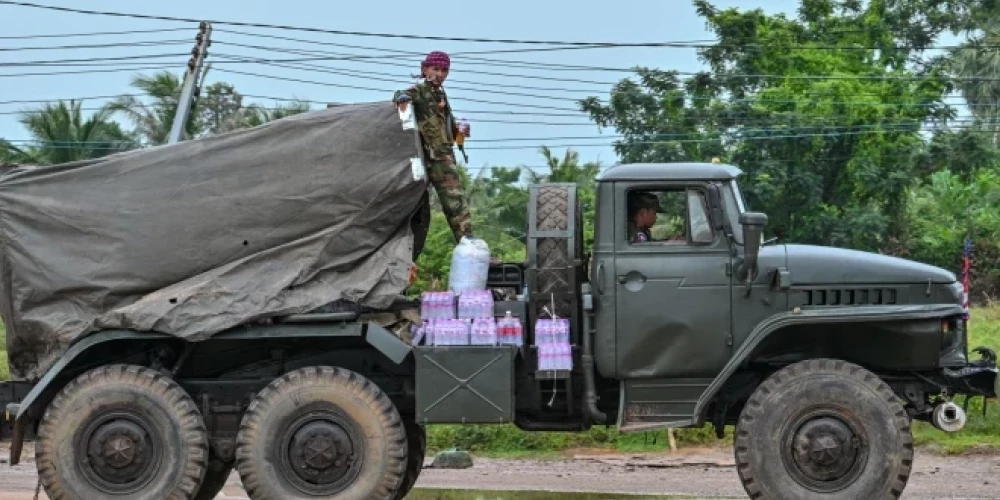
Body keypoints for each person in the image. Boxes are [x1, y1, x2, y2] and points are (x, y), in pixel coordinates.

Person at [394, 50, 473, 244]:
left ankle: (468, 246)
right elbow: (401, 94)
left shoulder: (440, 94)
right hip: (433, 158)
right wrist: (402, 98)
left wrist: (459, 130)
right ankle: (469, 246)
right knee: (455, 204)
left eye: (444, 70)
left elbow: (445, 126)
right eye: (435, 69)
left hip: (444, 155)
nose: (440, 74)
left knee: (455, 205)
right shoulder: (421, 90)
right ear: (425, 69)